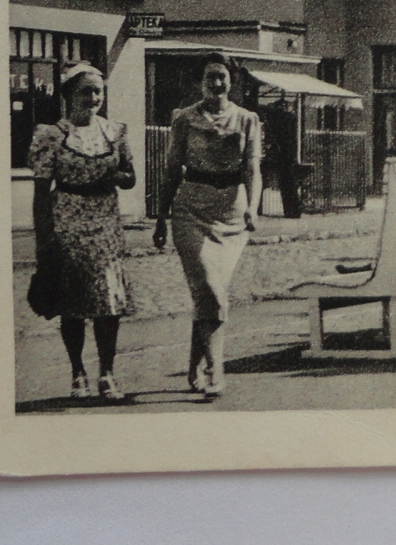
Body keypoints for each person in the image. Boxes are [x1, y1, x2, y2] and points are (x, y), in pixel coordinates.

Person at [28, 62, 139, 402]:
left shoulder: (114, 132)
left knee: (109, 301)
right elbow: (40, 194)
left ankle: (107, 373)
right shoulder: (52, 135)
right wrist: (44, 241)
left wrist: (116, 178)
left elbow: (130, 176)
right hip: (68, 223)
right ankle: (78, 372)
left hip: (105, 223)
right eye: (85, 91)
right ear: (68, 96)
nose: (93, 98)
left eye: (98, 91)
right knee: (72, 303)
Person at [154, 54, 261, 399]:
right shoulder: (185, 119)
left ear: (232, 81)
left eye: (222, 77)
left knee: (209, 295)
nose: (216, 83)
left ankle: (194, 368)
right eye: (210, 77)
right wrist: (161, 216)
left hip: (231, 215)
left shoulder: (247, 119)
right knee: (210, 289)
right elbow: (172, 170)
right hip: (190, 211)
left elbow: (252, 169)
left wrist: (253, 209)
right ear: (200, 82)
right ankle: (217, 369)